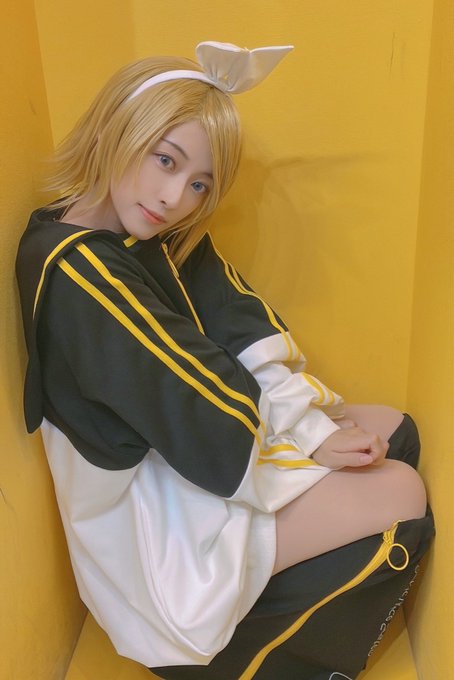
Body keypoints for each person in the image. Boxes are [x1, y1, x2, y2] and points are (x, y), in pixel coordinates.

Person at [16, 42, 433, 679]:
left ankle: (264, 599)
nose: (174, 196)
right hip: (153, 530)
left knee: (392, 429)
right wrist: (308, 441)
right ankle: (233, 657)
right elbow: (194, 399)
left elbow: (238, 321)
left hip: (191, 454)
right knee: (400, 486)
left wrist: (311, 431)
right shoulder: (80, 273)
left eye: (198, 184)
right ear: (115, 128)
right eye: (164, 159)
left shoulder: (144, 231)